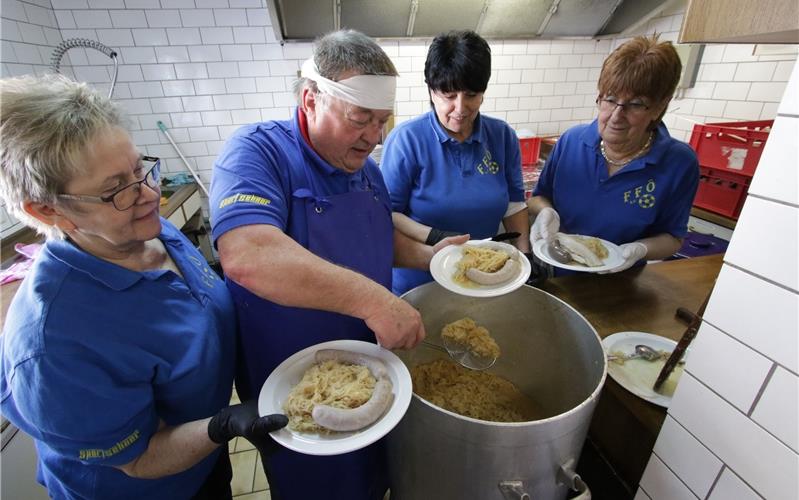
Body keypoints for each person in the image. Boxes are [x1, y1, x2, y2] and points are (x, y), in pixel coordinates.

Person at [0, 74, 287, 500]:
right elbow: (137, 459)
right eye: (115, 189)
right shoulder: (55, 341)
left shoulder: (149, 232)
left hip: (202, 456)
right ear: (48, 209)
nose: (150, 194)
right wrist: (222, 425)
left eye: (140, 169)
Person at [209, 30, 465, 500]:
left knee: (374, 480)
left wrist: (432, 256)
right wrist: (375, 302)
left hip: (370, 374)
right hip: (298, 386)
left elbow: (375, 236)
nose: (374, 136)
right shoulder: (258, 152)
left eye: (383, 120)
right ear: (310, 99)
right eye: (360, 118)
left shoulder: (365, 169)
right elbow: (248, 254)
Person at [528, 35, 699, 274]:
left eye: (636, 104)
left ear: (660, 107)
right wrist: (546, 211)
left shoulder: (679, 163)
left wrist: (641, 249)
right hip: (558, 274)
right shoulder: (571, 142)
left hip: (622, 285)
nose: (616, 115)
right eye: (610, 99)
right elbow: (538, 197)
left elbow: (673, 237)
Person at [380, 30, 531, 295]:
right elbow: (387, 214)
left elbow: (514, 204)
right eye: (448, 95)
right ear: (431, 89)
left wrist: (526, 256)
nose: (460, 108)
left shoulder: (502, 136)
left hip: (486, 280)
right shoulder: (407, 140)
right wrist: (433, 236)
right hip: (420, 284)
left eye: (471, 95)